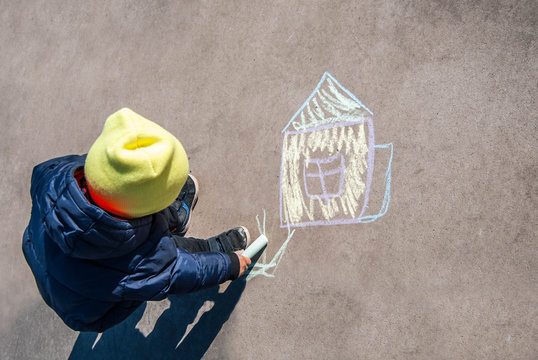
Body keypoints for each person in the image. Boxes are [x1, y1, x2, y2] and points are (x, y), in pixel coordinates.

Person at [22, 108, 252, 332]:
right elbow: (180, 273)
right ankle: (208, 248)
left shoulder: (58, 173)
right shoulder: (134, 263)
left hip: (57, 273)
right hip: (94, 311)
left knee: (145, 238)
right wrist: (229, 264)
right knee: (164, 254)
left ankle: (172, 218)